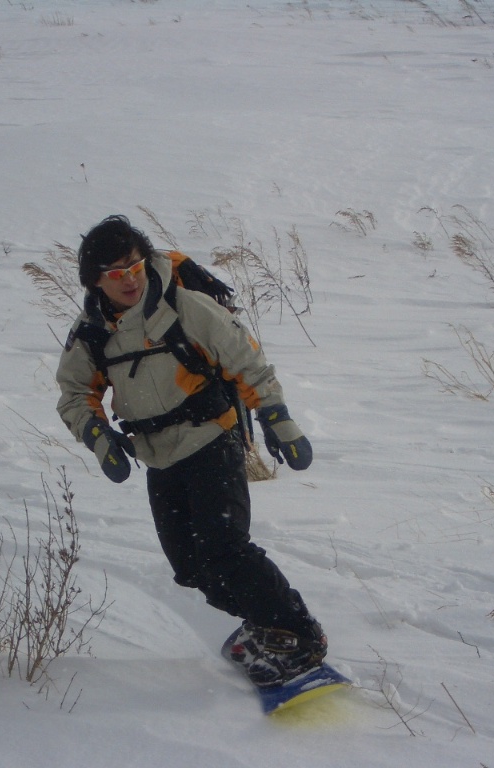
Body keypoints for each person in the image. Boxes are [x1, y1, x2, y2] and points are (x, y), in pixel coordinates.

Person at [55, 214, 327, 686]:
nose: (130, 278)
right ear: (94, 280)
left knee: (224, 551)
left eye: (135, 265)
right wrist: (99, 440)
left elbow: (247, 361)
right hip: (159, 457)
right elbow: (74, 394)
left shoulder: (183, 306)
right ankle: (265, 621)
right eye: (115, 272)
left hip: (209, 440)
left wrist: (277, 418)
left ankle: (299, 632)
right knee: (189, 567)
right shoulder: (93, 333)